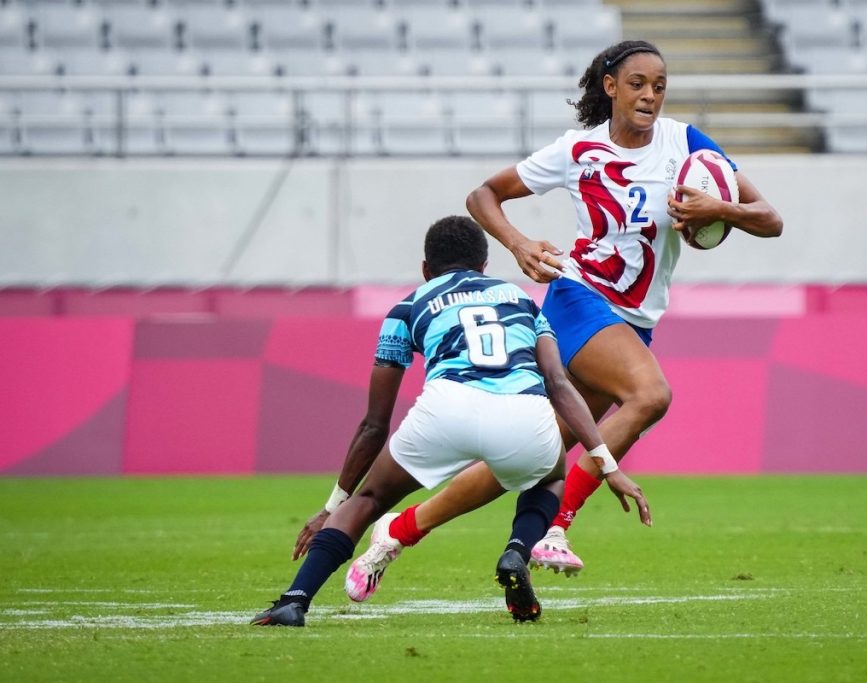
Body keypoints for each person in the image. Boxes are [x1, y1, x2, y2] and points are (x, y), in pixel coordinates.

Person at [464, 39, 783, 574]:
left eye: (659, 87)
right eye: (637, 84)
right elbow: (483, 196)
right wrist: (520, 245)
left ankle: (402, 529)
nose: (650, 96)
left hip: (632, 323)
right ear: (610, 87)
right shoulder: (577, 150)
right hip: (579, 295)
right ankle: (556, 531)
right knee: (650, 394)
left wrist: (719, 206)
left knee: (538, 450)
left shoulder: (687, 144)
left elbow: (770, 218)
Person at [251, 215, 650, 627]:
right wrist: (607, 463)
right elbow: (558, 384)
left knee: (369, 500)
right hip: (522, 411)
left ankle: (295, 599)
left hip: (446, 409)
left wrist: (332, 506)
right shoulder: (520, 299)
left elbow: (374, 424)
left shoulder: (408, 307)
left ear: (426, 270)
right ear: (484, 265)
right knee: (549, 478)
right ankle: (516, 548)